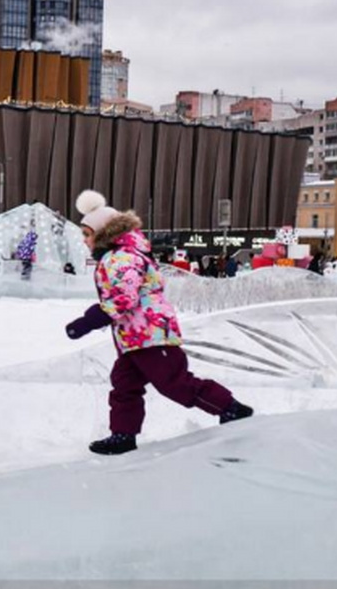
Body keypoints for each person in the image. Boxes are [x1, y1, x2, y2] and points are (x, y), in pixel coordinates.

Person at [66, 190, 253, 456]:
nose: (84, 240)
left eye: (87, 233)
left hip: (150, 335)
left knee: (173, 383)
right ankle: (123, 435)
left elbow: (124, 297)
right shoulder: (116, 256)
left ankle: (230, 408)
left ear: (104, 232)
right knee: (124, 385)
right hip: (134, 337)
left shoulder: (122, 257)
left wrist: (87, 321)